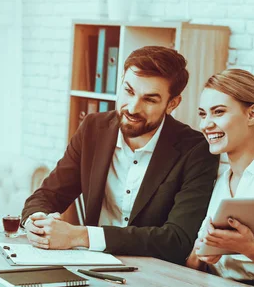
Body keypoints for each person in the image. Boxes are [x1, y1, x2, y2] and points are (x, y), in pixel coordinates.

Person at [21, 46, 219, 265]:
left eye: (150, 100)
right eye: (129, 91)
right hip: (90, 264)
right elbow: (48, 194)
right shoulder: (92, 128)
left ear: (172, 104)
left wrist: (80, 236)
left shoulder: (196, 149)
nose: (133, 108)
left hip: (155, 273)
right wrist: (35, 220)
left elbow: (177, 240)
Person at [185, 69, 254, 287]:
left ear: (252, 114)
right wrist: (201, 254)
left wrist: (249, 249)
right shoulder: (222, 181)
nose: (205, 124)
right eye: (203, 114)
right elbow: (195, 265)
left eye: (218, 112)